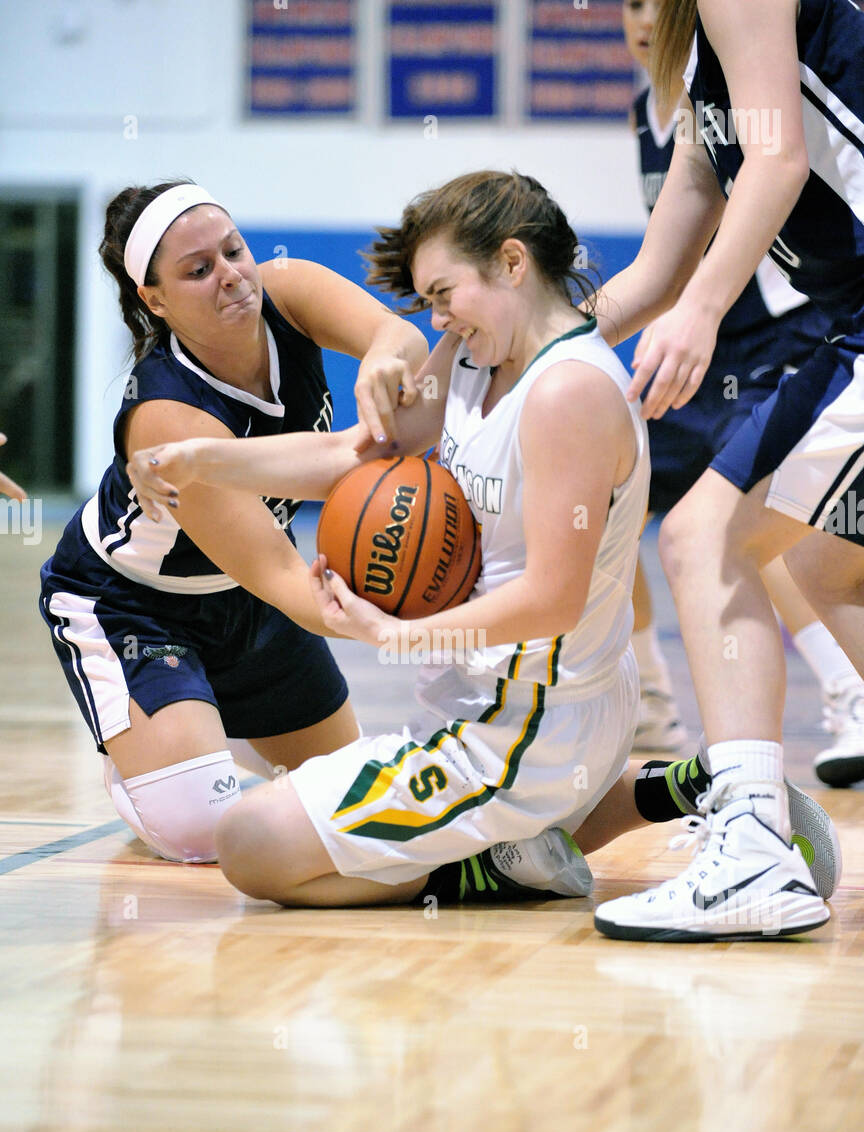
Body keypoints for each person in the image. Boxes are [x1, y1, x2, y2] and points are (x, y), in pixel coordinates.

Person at [127, 171, 839, 914]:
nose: (437, 321)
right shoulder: (474, 355)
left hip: (537, 723)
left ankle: (489, 868)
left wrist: (396, 635)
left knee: (250, 843)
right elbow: (357, 454)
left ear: (510, 262)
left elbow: (553, 601)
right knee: (339, 825)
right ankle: (673, 785)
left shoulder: (568, 392)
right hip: (512, 703)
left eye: (443, 295)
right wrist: (207, 458)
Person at [38, 179, 428, 865]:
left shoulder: (290, 290)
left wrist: (391, 360)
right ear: (153, 301)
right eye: (199, 269)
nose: (231, 276)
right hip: (133, 606)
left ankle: (186, 737)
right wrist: (404, 622)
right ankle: (145, 757)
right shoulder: (166, 413)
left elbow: (401, 337)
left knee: (350, 802)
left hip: (241, 592)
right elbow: (282, 575)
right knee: (200, 831)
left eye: (233, 250)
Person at [589, 0, 864, 940]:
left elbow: (782, 159)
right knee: (826, 566)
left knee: (709, 539)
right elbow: (656, 269)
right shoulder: (695, 72)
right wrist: (512, 359)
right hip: (848, 317)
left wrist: (705, 312)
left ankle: (751, 847)